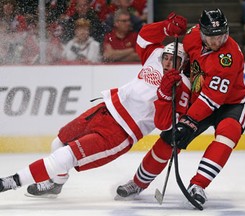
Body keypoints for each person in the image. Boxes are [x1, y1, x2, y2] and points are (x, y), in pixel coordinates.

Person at [0, 12, 188, 198]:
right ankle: (56, 184)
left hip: (121, 132)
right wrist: (165, 27)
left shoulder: (182, 86)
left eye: (174, 60)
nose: (168, 62)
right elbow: (144, 36)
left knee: (65, 156)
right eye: (167, 57)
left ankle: (10, 182)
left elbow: (165, 125)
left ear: (183, 63)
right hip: (106, 109)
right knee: (58, 143)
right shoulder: (155, 56)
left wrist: (164, 95)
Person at [116, 9, 245, 208]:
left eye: (221, 36)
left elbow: (212, 99)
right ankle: (137, 183)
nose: (216, 42)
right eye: (211, 37)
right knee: (169, 139)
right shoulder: (192, 36)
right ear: (201, 31)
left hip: (232, 104)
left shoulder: (228, 58)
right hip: (199, 99)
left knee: (227, 135)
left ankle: (198, 185)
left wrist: (188, 122)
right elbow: (184, 61)